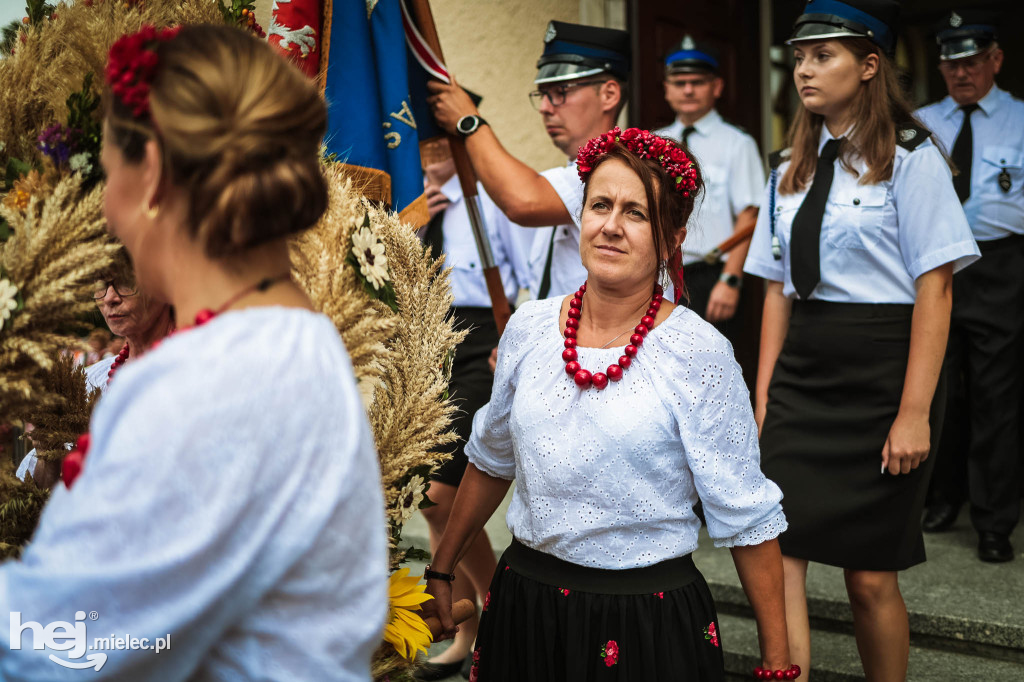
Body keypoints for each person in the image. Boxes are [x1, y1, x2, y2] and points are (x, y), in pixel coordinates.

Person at [0, 23, 386, 680]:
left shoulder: (210, 385)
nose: (106, 206)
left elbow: (57, 647)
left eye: (109, 172)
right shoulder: (291, 338)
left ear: (150, 174)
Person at [423, 128, 795, 682]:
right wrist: (442, 566)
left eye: (636, 213)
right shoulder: (528, 327)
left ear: (673, 238)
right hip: (526, 606)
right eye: (599, 205)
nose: (611, 226)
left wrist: (776, 662)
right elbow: (491, 459)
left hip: (647, 618)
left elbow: (747, 517)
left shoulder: (699, 353)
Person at [744, 1, 980, 679]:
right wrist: (765, 398)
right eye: (799, 56)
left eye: (824, 56)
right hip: (802, 376)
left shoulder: (912, 159)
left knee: (870, 579)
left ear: (869, 65)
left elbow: (937, 289)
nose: (805, 70)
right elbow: (774, 290)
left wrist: (913, 412)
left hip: (885, 372)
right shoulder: (788, 166)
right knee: (777, 552)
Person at [415, 139, 531, 680]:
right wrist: (413, 224)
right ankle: (467, 631)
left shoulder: (485, 201)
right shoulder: (416, 201)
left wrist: (517, 339)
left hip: (482, 336)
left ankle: (497, 614)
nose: (432, 151)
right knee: (428, 498)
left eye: (442, 141)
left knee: (441, 496)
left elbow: (529, 271)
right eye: (423, 141)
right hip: (428, 340)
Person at [914, 11, 1023, 563]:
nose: (960, 72)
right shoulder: (919, 122)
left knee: (995, 395)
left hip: (1001, 267)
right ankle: (939, 497)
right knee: (936, 392)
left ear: (995, 61)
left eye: (972, 61)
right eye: (951, 62)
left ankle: (994, 519)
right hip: (934, 267)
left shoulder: (1021, 120)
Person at [428, 21, 633, 300]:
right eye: (542, 95)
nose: (545, 108)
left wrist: (469, 122)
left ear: (609, 94)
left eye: (560, 92)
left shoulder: (621, 168)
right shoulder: (571, 176)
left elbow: (522, 201)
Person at [15, 252, 174, 487]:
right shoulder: (87, 382)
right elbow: (35, 496)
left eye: (126, 281)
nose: (109, 298)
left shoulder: (198, 369)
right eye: (101, 286)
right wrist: (49, 456)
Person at [654, 35, 764, 334]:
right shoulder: (655, 142)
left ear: (717, 87)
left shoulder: (737, 143)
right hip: (658, 274)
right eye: (679, 82)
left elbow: (750, 218)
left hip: (710, 275)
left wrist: (731, 279)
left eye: (698, 82)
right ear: (666, 89)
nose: (688, 89)